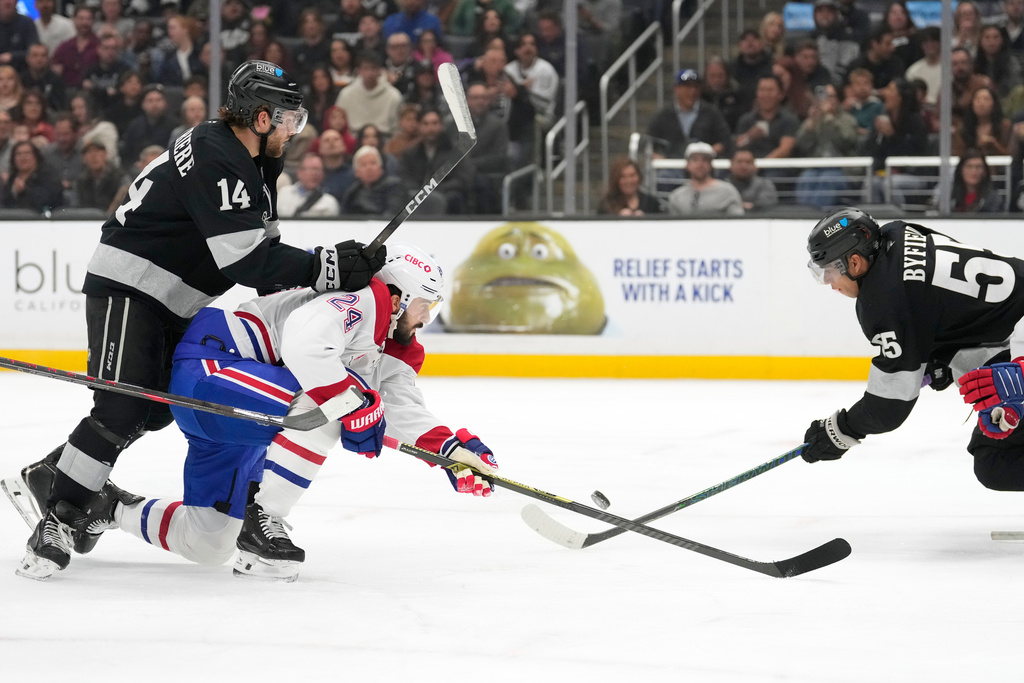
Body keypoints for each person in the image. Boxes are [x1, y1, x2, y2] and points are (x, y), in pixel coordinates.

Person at [1, 60, 386, 581]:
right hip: (129, 289)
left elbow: (264, 259)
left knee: (157, 411)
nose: (297, 130)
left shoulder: (249, 159)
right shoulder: (216, 154)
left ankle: (56, 471)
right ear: (263, 117)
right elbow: (246, 262)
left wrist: (325, 271)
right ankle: (62, 515)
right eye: (291, 119)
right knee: (120, 407)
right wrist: (328, 266)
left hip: (172, 300)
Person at [81, 245, 496, 583]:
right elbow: (305, 348)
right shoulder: (360, 300)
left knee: (208, 541)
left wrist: (452, 450)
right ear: (400, 294)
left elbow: (402, 406)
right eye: (425, 305)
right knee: (332, 401)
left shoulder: (388, 343)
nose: (425, 318)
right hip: (212, 370)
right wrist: (354, 406)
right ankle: (263, 517)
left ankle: (109, 507)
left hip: (242, 416)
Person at [800, 207, 1024, 502]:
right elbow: (948, 303)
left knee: (995, 462)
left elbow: (889, 406)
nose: (829, 282)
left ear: (854, 262)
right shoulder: (897, 231)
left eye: (828, 270)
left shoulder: (884, 301)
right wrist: (938, 357)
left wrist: (841, 430)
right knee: (997, 447)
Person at [794, 82, 859, 208]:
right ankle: (803, 215)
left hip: (842, 169)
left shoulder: (847, 119)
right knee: (806, 178)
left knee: (827, 179)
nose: (828, 100)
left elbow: (847, 141)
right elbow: (800, 144)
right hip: (816, 167)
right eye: (825, 96)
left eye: (832, 96)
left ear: (839, 99)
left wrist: (830, 118)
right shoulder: (815, 119)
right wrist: (811, 123)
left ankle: (816, 218)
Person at [646, 68, 732, 160]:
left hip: (705, 167)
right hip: (671, 168)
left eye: (695, 87)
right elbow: (649, 144)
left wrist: (708, 152)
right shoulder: (663, 116)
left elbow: (725, 140)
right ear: (676, 89)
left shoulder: (711, 113)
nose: (692, 91)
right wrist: (661, 160)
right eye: (687, 87)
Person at [666, 142, 744, 216]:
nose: (700, 164)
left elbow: (737, 222)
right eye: (695, 160)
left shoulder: (727, 192)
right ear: (687, 165)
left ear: (711, 165)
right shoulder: (677, 196)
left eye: (704, 160)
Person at [336, 50, 402, 135]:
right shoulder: (346, 94)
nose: (369, 73)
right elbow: (337, 122)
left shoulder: (393, 96)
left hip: (384, 139)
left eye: (373, 68)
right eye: (365, 68)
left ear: (380, 70)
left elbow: (397, 128)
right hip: (352, 140)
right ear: (359, 70)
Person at [340, 144, 405, 215]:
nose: (369, 168)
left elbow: (394, 214)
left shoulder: (394, 186)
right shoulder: (352, 193)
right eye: (363, 165)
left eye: (373, 163)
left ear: (380, 167)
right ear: (356, 172)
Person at [2, 139, 61, 212]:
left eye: (27, 153)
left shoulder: (48, 175)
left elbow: (49, 199)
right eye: (18, 154)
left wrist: (25, 190)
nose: (23, 157)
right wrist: (13, 192)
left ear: (35, 156)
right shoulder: (12, 178)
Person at [277, 151, 342, 217]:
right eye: (311, 170)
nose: (315, 174)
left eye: (318, 170)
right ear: (299, 172)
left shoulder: (329, 202)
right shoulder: (283, 193)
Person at [74, 139, 130, 214]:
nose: (94, 156)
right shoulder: (80, 181)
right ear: (83, 158)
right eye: (89, 152)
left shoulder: (120, 177)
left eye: (98, 151)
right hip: (86, 221)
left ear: (105, 154)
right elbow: (75, 205)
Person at [952, 86, 1011, 157]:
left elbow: (1010, 154)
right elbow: (957, 153)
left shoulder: (1005, 126)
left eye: (986, 99)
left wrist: (994, 145)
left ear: (994, 103)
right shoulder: (962, 127)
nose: (981, 103)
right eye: (977, 99)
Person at [598, 157, 663, 216]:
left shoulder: (651, 203)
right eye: (623, 177)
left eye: (632, 175)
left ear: (639, 177)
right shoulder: (606, 205)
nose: (629, 181)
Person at [726, 148, 778, 212]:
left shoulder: (764, 184)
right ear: (731, 165)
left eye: (748, 162)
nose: (744, 166)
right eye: (739, 162)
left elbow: (767, 206)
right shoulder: (723, 186)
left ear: (755, 166)